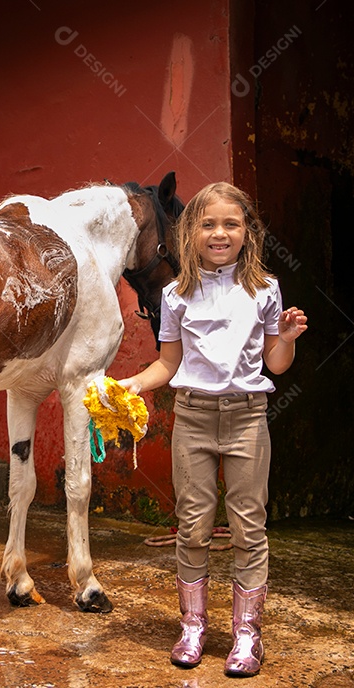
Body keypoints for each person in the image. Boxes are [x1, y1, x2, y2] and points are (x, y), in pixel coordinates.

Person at [118, 181, 307, 677]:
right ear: (190, 234)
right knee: (193, 526)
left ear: (248, 232)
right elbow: (168, 363)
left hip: (247, 418)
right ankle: (193, 625)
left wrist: (286, 337)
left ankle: (247, 633)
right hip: (194, 417)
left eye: (231, 224)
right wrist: (133, 383)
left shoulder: (265, 290)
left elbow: (276, 363)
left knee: (249, 526)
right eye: (207, 224)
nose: (219, 233)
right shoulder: (176, 294)